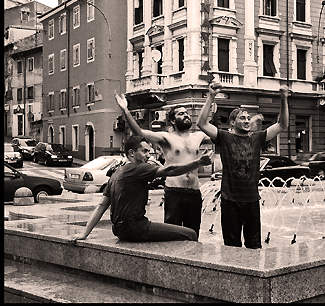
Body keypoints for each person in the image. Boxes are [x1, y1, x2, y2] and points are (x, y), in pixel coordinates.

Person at [70, 136, 213, 243]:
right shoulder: (138, 168)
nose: (148, 155)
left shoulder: (116, 173)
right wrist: (198, 162)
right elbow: (169, 170)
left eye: (149, 152)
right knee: (191, 234)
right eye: (144, 151)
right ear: (132, 153)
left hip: (119, 230)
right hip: (136, 228)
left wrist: (85, 233)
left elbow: (101, 206)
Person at [197, 82, 289, 249]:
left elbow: (282, 125)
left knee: (254, 246)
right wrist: (211, 96)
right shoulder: (224, 137)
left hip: (252, 200)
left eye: (248, 118)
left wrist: (283, 99)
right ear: (232, 123)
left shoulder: (257, 138)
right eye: (242, 118)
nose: (247, 121)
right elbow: (201, 124)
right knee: (232, 247)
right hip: (229, 200)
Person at [114, 92, 212, 240]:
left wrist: (211, 96)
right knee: (171, 237)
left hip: (194, 193)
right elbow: (139, 132)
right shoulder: (166, 138)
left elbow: (219, 135)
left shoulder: (198, 136)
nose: (186, 115)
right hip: (174, 192)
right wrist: (125, 111)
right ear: (172, 121)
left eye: (186, 113)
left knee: (193, 235)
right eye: (181, 114)